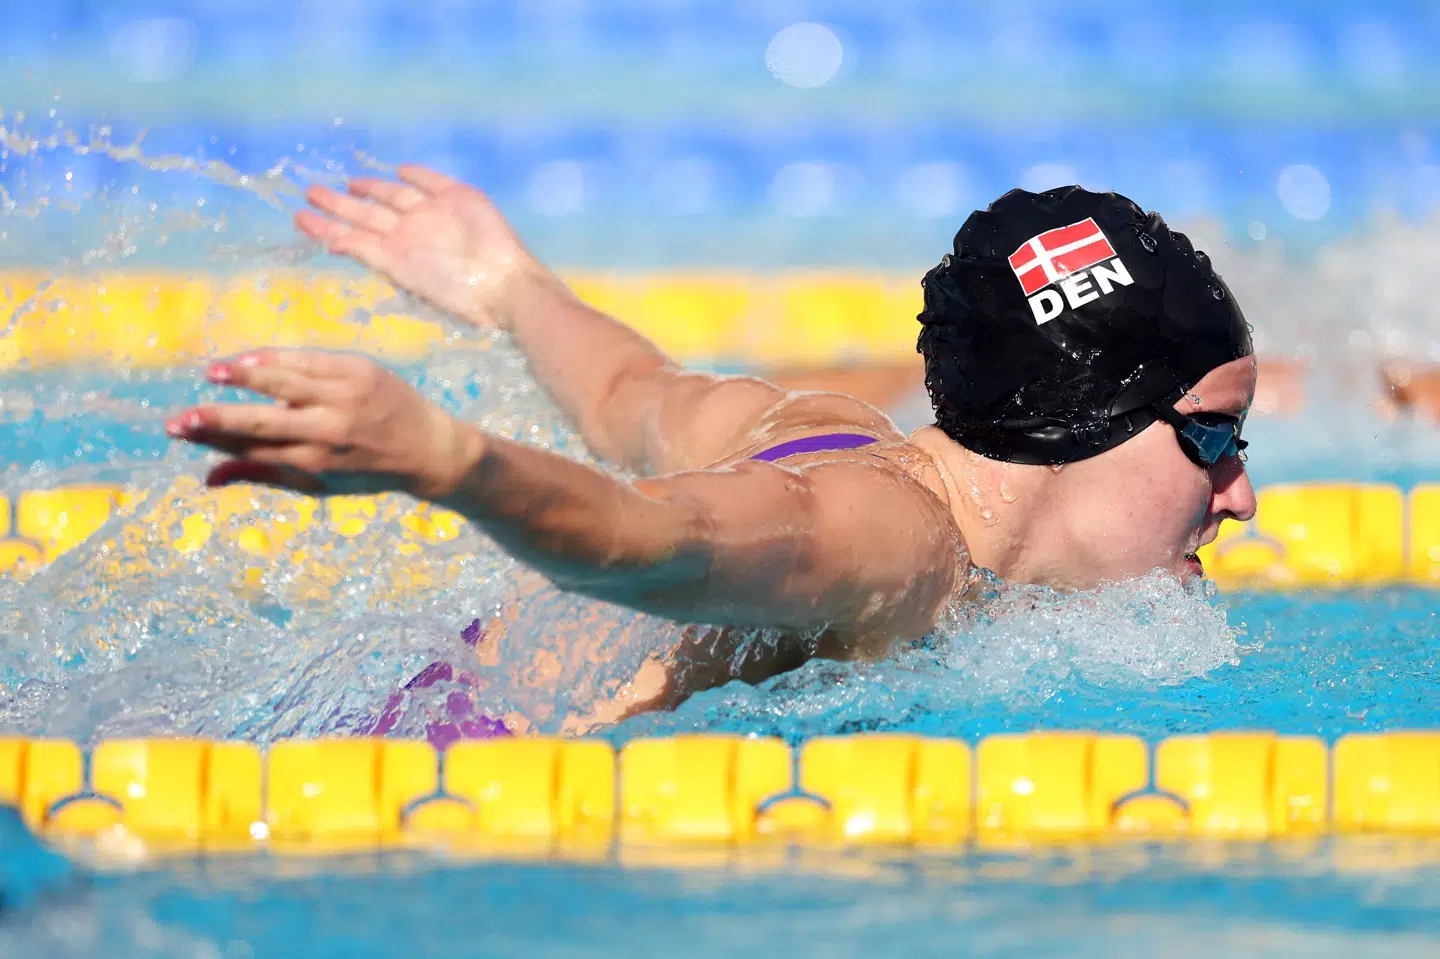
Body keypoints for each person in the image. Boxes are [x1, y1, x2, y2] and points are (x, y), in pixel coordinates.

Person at [165, 167, 1258, 727]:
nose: (1239, 492)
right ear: (1083, 422)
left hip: (399, 707)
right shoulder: (900, 543)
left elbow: (634, 394)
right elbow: (662, 539)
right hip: (442, 784)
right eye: (1211, 435)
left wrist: (510, 284)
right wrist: (448, 461)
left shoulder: (826, 427)